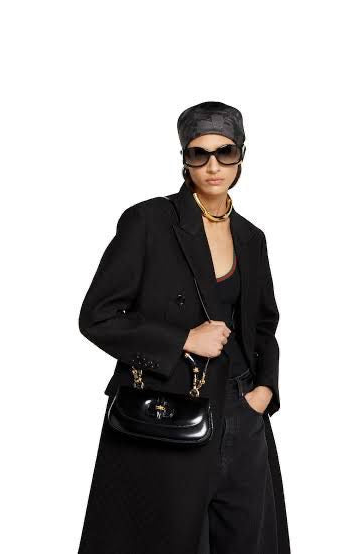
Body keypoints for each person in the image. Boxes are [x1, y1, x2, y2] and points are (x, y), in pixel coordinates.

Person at [77, 101, 291, 554]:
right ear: (184, 158)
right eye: (199, 153)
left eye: (225, 152)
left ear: (241, 156)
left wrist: (265, 390)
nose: (213, 166)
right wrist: (183, 340)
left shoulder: (251, 237)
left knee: (247, 542)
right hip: (169, 411)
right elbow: (97, 316)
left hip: (242, 413)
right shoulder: (149, 221)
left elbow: (264, 325)